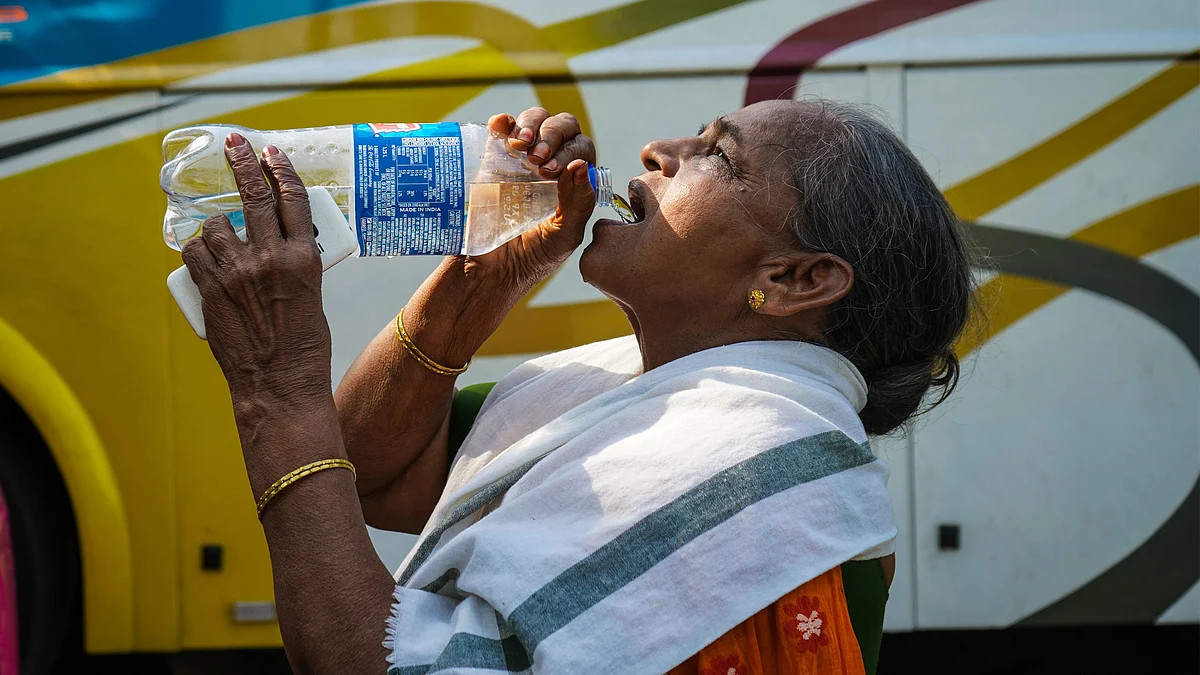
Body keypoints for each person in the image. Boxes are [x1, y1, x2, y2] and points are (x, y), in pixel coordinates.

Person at [181, 99, 974, 674]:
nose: (660, 149)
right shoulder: (624, 390)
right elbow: (370, 473)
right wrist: (484, 278)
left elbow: (369, 663)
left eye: (717, 157)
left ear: (796, 278)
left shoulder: (759, 471)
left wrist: (277, 389)